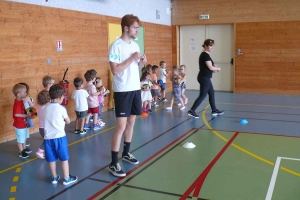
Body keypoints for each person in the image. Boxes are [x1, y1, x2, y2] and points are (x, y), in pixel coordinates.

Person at [108, 14, 147, 177]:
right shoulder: (116, 46)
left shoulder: (135, 45)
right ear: (126, 28)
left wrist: (140, 63)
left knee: (131, 122)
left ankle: (126, 153)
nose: (137, 30)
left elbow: (134, 67)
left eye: (138, 27)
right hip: (122, 91)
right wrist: (132, 59)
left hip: (135, 88)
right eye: (135, 27)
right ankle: (113, 163)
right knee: (121, 126)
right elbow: (115, 70)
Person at [44, 84, 78, 185]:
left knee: (51, 159)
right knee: (64, 158)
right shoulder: (61, 108)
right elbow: (67, 121)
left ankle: (54, 177)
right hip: (59, 138)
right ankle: (66, 178)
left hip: (47, 138)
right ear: (60, 97)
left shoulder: (46, 107)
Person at [187, 39, 224, 118]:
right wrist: (218, 69)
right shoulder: (205, 55)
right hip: (204, 78)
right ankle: (191, 110)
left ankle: (214, 110)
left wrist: (215, 69)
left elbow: (209, 67)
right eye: (210, 46)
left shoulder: (207, 55)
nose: (212, 48)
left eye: (213, 46)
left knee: (211, 93)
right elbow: (210, 67)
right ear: (206, 46)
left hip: (206, 77)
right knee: (203, 95)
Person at [12, 84, 32, 158]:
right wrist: (27, 116)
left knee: (24, 138)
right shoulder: (17, 103)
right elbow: (16, 114)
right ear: (18, 94)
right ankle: (21, 152)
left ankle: (24, 149)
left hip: (24, 124)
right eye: (24, 92)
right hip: (19, 125)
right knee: (20, 139)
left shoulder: (22, 101)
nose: (26, 93)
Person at [35, 90, 50, 159]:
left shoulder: (40, 106)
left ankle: (45, 152)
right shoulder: (46, 108)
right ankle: (40, 150)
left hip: (41, 128)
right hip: (45, 128)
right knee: (47, 140)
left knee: (47, 139)